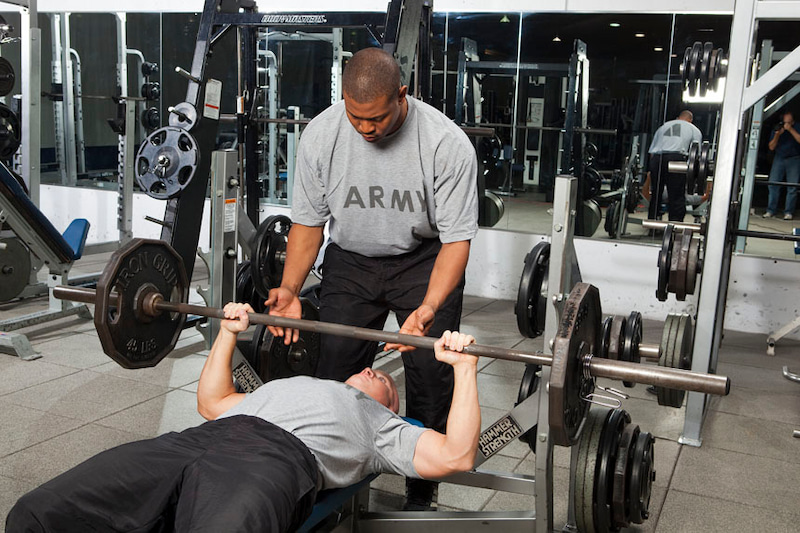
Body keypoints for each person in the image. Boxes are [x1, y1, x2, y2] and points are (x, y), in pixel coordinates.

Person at [6, 303, 481, 533]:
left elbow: (456, 454)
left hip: (272, 463)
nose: (367, 370)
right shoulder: (287, 386)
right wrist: (229, 334)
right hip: (195, 440)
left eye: (381, 380)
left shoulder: (381, 428)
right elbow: (213, 403)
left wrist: (464, 369)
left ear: (389, 403)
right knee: (38, 512)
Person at [265, 47, 479, 509]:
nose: (365, 129)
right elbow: (307, 225)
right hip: (352, 261)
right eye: (355, 116)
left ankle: (421, 489)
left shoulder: (446, 144)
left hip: (423, 260)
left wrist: (427, 309)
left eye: (377, 119)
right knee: (335, 370)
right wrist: (290, 287)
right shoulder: (322, 135)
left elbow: (456, 241)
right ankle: (334, 479)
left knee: (430, 374)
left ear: (402, 95)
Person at [646, 110, 703, 222]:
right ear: (690, 120)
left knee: (656, 193)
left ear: (678, 117)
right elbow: (697, 154)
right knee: (676, 194)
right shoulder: (693, 129)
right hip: (676, 159)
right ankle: (674, 224)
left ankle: (653, 221)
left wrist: (652, 169)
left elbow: (652, 151)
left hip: (657, 159)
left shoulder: (662, 127)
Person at [763, 111, 800, 220]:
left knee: (792, 187)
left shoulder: (797, 127)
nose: (785, 124)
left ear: (792, 122)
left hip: (794, 158)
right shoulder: (777, 129)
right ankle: (770, 210)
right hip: (779, 157)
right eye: (784, 122)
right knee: (773, 184)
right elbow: (771, 147)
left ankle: (788, 212)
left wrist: (791, 130)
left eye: (788, 122)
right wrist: (777, 135)